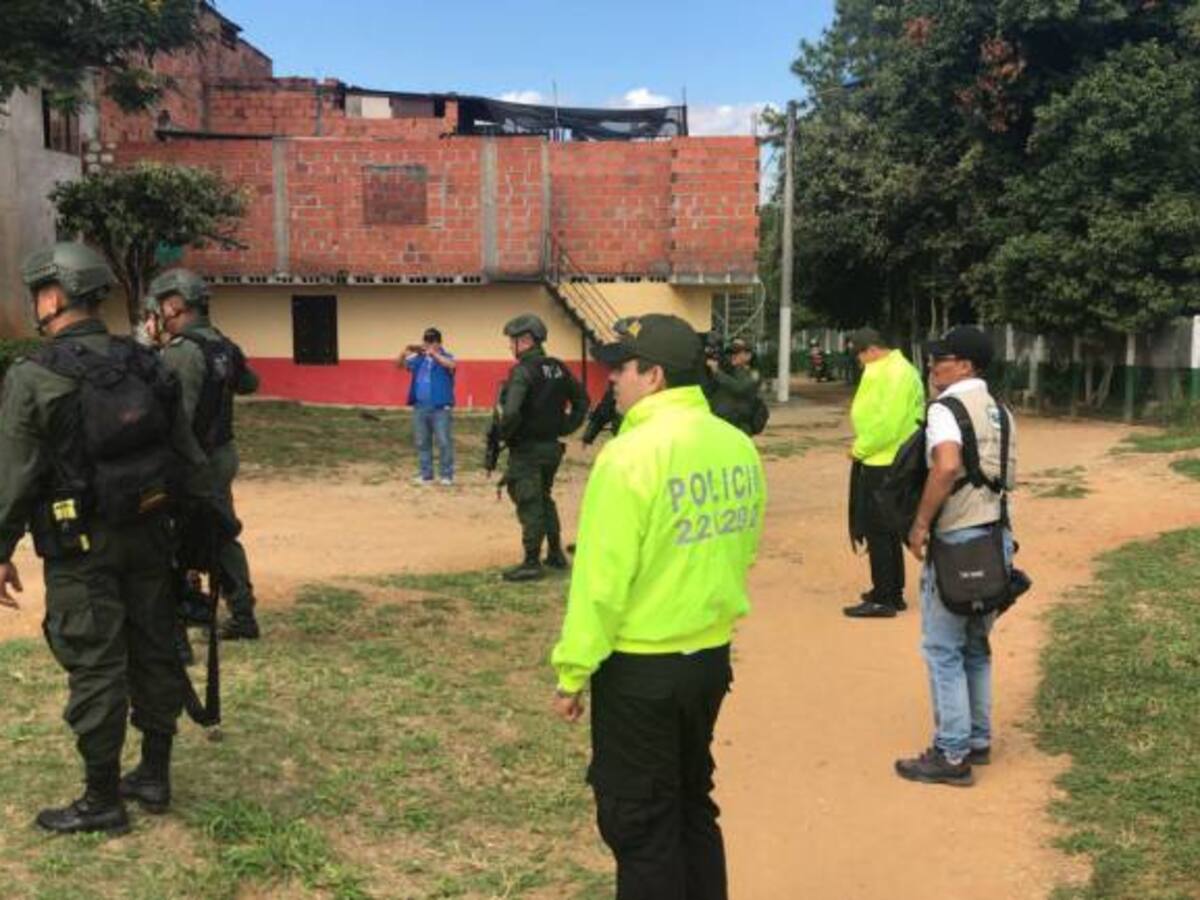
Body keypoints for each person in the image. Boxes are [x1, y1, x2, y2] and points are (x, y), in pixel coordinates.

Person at [551, 314, 765, 899]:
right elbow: (742, 545)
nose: (612, 379)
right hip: (708, 662)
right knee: (691, 804)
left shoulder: (630, 455)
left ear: (655, 377)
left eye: (622, 367)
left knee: (641, 823)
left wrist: (574, 673)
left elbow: (601, 582)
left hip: (642, 670)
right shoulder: (736, 444)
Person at [0, 242, 206, 833]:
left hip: (81, 547)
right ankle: (154, 775)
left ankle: (101, 800)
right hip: (151, 531)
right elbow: (186, 455)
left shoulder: (33, 375)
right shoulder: (148, 362)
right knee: (155, 645)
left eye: (40, 291)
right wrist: (200, 536)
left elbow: (14, 475)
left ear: (55, 294)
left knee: (95, 662)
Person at [896, 325, 1017, 787]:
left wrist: (921, 522)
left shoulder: (946, 410)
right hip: (995, 539)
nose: (932, 366)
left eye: (941, 359)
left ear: (965, 365)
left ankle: (951, 755)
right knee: (975, 646)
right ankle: (978, 739)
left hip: (957, 541)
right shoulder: (1002, 411)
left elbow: (946, 465)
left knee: (942, 649)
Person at [148, 268, 262, 641]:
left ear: (176, 305)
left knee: (180, 536)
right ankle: (239, 611)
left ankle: (190, 618)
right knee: (220, 530)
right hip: (222, 455)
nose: (160, 313)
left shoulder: (181, 352)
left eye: (163, 305)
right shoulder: (223, 345)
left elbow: (173, 417)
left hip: (192, 460)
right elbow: (249, 384)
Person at [496, 314, 588, 581]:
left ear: (525, 341)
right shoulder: (557, 367)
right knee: (544, 498)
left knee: (529, 501)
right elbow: (582, 400)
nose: (510, 347)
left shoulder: (523, 371)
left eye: (512, 341)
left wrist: (505, 435)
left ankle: (532, 561)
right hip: (551, 449)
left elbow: (511, 411)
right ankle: (556, 553)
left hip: (527, 449)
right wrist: (565, 426)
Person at [843, 327, 925, 618]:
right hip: (896, 457)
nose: (859, 361)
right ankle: (892, 590)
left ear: (872, 350)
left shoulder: (887, 373)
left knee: (878, 529)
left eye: (859, 355)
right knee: (888, 528)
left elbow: (886, 422)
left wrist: (861, 448)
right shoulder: (904, 369)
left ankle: (884, 598)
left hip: (883, 459)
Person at [400, 326, 456, 485]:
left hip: (440, 408)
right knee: (422, 442)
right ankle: (426, 475)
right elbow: (401, 365)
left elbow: (451, 365)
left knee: (444, 442)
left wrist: (435, 354)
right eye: (426, 341)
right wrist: (405, 352)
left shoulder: (446, 356)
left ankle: (446, 475)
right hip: (420, 406)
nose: (429, 344)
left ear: (439, 343)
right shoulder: (419, 358)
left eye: (432, 341)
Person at [705, 338, 760, 434]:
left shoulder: (753, 374)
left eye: (738, 353)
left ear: (748, 356)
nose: (733, 356)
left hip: (738, 424)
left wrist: (716, 371)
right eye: (732, 353)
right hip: (720, 421)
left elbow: (739, 387)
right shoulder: (729, 369)